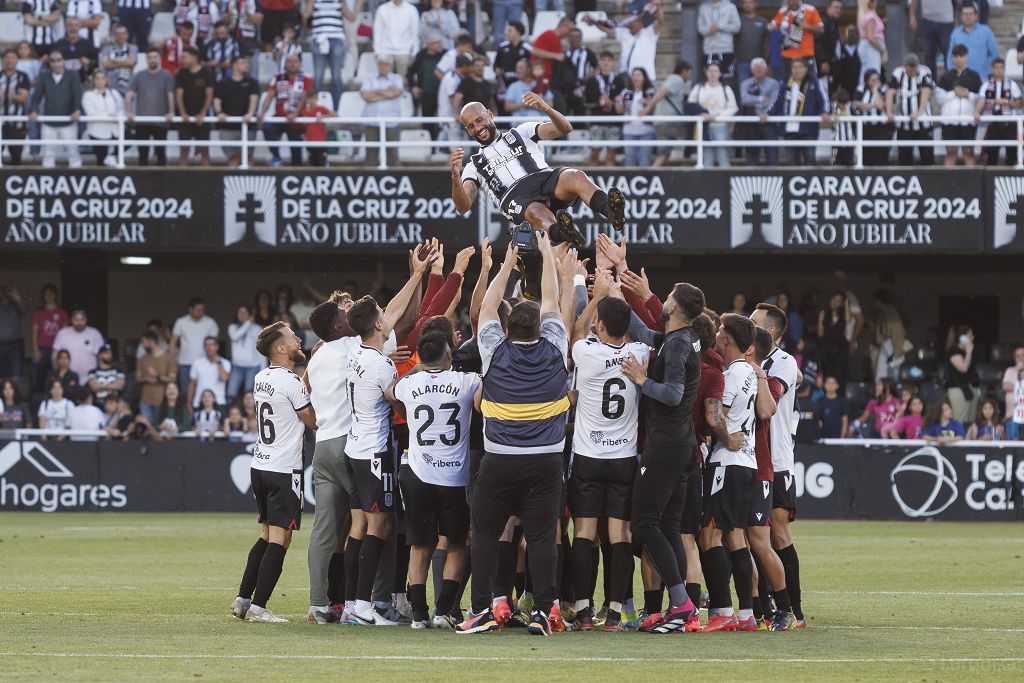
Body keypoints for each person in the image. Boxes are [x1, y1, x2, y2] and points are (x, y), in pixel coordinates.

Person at [456, 234, 571, 637]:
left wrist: (505, 265)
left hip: (501, 458)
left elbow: (487, 306)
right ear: (540, 326)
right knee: (541, 538)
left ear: (507, 328)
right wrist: (545, 258)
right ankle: (542, 612)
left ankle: (485, 608)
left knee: (485, 533)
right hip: (546, 461)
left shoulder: (494, 348)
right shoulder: (556, 346)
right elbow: (554, 301)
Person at [342, 245, 437, 627]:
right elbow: (399, 405)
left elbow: (395, 310)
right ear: (378, 326)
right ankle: (363, 606)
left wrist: (418, 273)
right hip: (373, 453)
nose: (388, 316)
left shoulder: (356, 349)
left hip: (353, 446)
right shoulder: (381, 366)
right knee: (380, 526)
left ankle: (352, 603)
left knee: (360, 527)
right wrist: (412, 377)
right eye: (383, 316)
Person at [565, 284, 649, 631]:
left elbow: (577, 330)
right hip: (623, 458)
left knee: (584, 533)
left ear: (600, 325)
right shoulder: (640, 353)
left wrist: (597, 294)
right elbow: (643, 329)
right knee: (620, 536)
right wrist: (619, 290)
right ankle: (615, 610)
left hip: (587, 456)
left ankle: (583, 609)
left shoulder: (585, 352)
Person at [386, 331, 481, 629]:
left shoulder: (410, 383)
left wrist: (414, 372)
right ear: (450, 354)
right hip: (453, 476)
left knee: (419, 545)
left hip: (417, 474)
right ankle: (442, 612)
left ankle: (418, 615)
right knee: (455, 544)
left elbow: (390, 392)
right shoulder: (468, 381)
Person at [230, 321, 317, 623]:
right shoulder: (292, 382)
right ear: (280, 348)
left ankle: (243, 598)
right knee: (281, 539)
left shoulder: (261, 377)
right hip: (283, 469)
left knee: (267, 535)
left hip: (260, 464)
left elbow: (290, 395)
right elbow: (312, 420)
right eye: (293, 338)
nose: (298, 340)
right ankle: (259, 607)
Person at [450, 97, 626, 246]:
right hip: (515, 196)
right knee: (535, 212)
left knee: (576, 176)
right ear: (467, 130)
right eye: (471, 126)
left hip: (543, 177)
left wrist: (545, 107)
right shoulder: (474, 165)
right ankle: (564, 233)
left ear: (489, 114)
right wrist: (456, 177)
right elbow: (463, 207)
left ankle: (611, 211)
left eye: (479, 120)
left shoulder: (521, 132)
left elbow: (565, 129)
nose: (477, 128)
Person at [750, 302, 806, 627]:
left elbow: (770, 401)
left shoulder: (784, 363)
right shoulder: (746, 358)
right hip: (750, 458)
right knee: (753, 536)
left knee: (779, 535)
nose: (747, 324)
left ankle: (795, 609)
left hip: (778, 459)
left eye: (753, 322)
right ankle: (762, 605)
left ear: (770, 331)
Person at [303, 299, 358, 624]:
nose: (349, 315)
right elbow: (397, 319)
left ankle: (318, 604)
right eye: (344, 313)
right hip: (351, 445)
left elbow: (305, 384)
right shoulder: (353, 344)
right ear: (339, 326)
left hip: (322, 446)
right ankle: (369, 602)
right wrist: (418, 275)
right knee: (373, 523)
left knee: (323, 530)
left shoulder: (319, 354)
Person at [28, 51, 83, 169]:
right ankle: (47, 179)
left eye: (59, 60)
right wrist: (33, 110)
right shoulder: (44, 75)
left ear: (63, 61)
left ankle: (77, 176)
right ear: (50, 63)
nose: (56, 63)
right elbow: (37, 95)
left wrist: (77, 110)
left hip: (69, 120)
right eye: (53, 60)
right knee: (48, 153)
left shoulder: (73, 75)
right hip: (49, 120)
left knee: (73, 152)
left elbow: (77, 94)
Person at [259, 53, 312, 167]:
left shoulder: (306, 77)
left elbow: (304, 97)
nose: (293, 64)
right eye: (290, 61)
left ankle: (297, 172)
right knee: (267, 126)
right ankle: (276, 156)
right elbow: (270, 96)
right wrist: (262, 113)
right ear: (285, 64)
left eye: (295, 61)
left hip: (297, 120)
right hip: (280, 118)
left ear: (300, 63)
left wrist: (295, 114)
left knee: (296, 155)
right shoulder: (278, 77)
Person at [303, 0, 358, 108]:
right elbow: (306, 14)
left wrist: (357, 6)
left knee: (336, 76)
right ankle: (315, 108)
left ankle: (337, 109)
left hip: (336, 38)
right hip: (318, 39)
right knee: (318, 76)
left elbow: (351, 18)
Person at [771, 58, 826, 166]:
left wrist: (823, 112)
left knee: (810, 159)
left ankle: (810, 182)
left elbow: (822, 100)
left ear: (806, 69)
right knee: (791, 162)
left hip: (808, 129)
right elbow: (778, 102)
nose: (797, 70)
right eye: (795, 67)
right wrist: (769, 114)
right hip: (789, 129)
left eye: (800, 67)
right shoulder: (785, 82)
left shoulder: (814, 82)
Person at [126, 49, 176, 167]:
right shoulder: (139, 75)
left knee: (161, 154)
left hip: (161, 122)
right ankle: (142, 183)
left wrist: (171, 112)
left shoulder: (167, 75)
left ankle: (162, 182)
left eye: (155, 57)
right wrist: (128, 112)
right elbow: (129, 94)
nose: (152, 59)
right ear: (146, 59)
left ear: (159, 58)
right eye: (150, 57)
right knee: (142, 155)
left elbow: (170, 95)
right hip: (142, 122)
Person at [936, 44, 981, 167]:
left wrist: (967, 95)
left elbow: (980, 98)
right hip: (950, 121)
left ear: (966, 57)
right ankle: (947, 182)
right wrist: (954, 93)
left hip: (968, 121)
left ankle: (973, 183)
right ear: (952, 58)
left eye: (961, 56)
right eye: (956, 56)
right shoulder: (946, 76)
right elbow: (939, 98)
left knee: (968, 152)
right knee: (950, 152)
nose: (958, 59)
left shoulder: (974, 76)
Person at [886, 54, 935, 167]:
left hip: (923, 122)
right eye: (910, 69)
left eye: (914, 68)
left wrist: (919, 112)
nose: (913, 71)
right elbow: (890, 92)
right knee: (904, 157)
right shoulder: (898, 73)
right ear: (905, 66)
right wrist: (889, 112)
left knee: (927, 156)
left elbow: (926, 92)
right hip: (904, 123)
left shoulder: (925, 71)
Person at [592, 4, 662, 82]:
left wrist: (658, 6)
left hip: (645, 77)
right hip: (626, 77)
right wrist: (594, 22)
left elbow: (660, 21)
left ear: (641, 22)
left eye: (633, 21)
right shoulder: (624, 32)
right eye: (629, 20)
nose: (630, 23)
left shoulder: (650, 33)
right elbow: (608, 31)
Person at [688, 61, 738, 168]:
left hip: (720, 126)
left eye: (715, 71)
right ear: (706, 73)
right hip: (703, 126)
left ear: (720, 73)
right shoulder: (699, 88)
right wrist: (701, 114)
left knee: (722, 153)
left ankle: (726, 180)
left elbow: (733, 108)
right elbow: (691, 103)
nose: (712, 73)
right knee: (706, 155)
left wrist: (717, 116)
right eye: (710, 71)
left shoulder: (726, 89)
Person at [645, 59, 692, 168]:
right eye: (689, 72)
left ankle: (653, 173)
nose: (690, 75)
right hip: (670, 122)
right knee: (686, 141)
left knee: (663, 155)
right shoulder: (677, 80)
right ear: (683, 71)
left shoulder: (670, 80)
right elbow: (662, 93)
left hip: (661, 122)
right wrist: (648, 108)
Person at [213, 54, 259, 166]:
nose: (247, 65)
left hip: (248, 126)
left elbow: (254, 99)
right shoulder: (223, 83)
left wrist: (250, 113)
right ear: (234, 66)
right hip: (227, 126)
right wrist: (219, 113)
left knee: (248, 157)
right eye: (243, 62)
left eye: (247, 63)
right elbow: (217, 100)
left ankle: (249, 183)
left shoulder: (252, 82)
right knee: (232, 158)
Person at [360, 55, 404, 168]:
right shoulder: (369, 77)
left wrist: (376, 91)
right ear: (377, 65)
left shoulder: (397, 78)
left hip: (391, 121)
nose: (383, 66)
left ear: (391, 66)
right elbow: (366, 96)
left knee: (392, 153)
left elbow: (396, 93)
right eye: (381, 64)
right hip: (371, 120)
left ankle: (397, 178)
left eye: (386, 64)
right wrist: (388, 93)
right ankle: (369, 178)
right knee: (371, 154)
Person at [978, 59, 1023, 167]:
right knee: (992, 153)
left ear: (1004, 69)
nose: (999, 70)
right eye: (996, 68)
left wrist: (1007, 102)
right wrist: (976, 112)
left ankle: (1012, 178)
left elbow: (1020, 104)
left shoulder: (1012, 84)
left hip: (1009, 123)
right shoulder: (986, 85)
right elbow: (981, 100)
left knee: (1012, 153)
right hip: (993, 123)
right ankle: (990, 180)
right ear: (992, 69)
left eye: (1001, 68)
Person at [174, 47, 214, 166]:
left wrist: (203, 113)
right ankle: (180, 181)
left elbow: (209, 94)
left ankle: (208, 181)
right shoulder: (181, 73)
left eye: (185, 57)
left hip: (202, 118)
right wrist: (182, 113)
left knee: (204, 151)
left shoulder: (207, 72)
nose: (183, 60)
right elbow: (179, 94)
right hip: (184, 118)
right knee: (183, 151)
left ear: (194, 57)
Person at [739, 57, 780, 166]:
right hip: (752, 123)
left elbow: (774, 101)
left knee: (772, 152)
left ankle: (774, 176)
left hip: (768, 122)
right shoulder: (746, 83)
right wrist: (761, 99)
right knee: (751, 153)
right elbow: (744, 99)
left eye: (761, 68)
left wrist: (766, 113)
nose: (758, 70)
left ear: (766, 69)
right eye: (756, 68)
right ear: (752, 70)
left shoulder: (773, 83)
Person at [583, 50, 622, 167]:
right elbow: (586, 102)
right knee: (594, 153)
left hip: (613, 121)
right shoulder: (591, 81)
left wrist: (612, 103)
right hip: (597, 121)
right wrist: (598, 102)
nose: (606, 63)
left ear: (612, 63)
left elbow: (622, 102)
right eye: (603, 60)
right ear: (599, 62)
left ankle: (611, 182)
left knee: (611, 155)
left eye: (609, 60)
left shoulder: (618, 81)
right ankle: (589, 182)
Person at [767, 0, 823, 79]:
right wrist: (772, 26)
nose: (793, 2)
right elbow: (771, 25)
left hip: (805, 54)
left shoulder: (810, 9)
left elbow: (821, 29)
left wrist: (807, 26)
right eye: (791, 1)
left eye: (795, 1)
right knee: (788, 83)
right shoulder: (783, 11)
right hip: (788, 54)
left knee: (809, 81)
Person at [172, 297, 219, 391]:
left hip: (204, 363)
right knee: (185, 390)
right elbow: (173, 342)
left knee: (203, 390)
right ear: (190, 309)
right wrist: (172, 361)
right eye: (198, 310)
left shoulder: (210, 322)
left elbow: (214, 344)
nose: (201, 312)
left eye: (203, 310)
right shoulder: (181, 322)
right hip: (185, 363)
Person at [81, 71, 126, 168]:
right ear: (93, 81)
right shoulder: (88, 95)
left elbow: (121, 108)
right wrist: (109, 116)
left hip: (114, 130)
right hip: (97, 132)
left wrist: (118, 116)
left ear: (106, 80)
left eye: (103, 78)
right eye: (97, 78)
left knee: (128, 139)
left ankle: (112, 156)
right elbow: (91, 113)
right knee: (101, 161)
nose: (100, 81)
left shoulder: (113, 93)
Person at [615, 67, 656, 168]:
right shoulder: (625, 92)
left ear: (644, 78)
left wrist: (649, 103)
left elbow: (656, 109)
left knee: (645, 160)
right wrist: (617, 102)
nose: (635, 77)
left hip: (646, 130)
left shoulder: (651, 92)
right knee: (629, 160)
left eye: (638, 75)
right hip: (629, 131)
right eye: (634, 75)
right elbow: (619, 111)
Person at [29, 284, 66, 393]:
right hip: (42, 348)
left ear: (55, 295)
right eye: (46, 294)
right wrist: (36, 350)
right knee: (39, 375)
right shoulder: (39, 313)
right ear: (43, 296)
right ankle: (39, 399)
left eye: (51, 293)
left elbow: (64, 333)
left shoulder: (62, 313)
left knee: (56, 375)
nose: (49, 296)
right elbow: (34, 332)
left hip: (57, 349)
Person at [408, 33, 445, 138]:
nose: (439, 45)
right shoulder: (422, 55)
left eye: (440, 42)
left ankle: (441, 145)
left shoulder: (445, 54)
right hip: (426, 93)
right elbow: (410, 71)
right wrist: (414, 86)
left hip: (442, 93)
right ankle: (430, 145)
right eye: (436, 43)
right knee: (427, 121)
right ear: (429, 45)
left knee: (442, 120)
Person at [136, 331, 177, 423]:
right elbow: (138, 379)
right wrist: (146, 379)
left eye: (144, 342)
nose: (142, 345)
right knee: (146, 430)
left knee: (159, 430)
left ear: (151, 342)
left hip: (162, 402)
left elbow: (172, 379)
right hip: (145, 400)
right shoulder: (142, 359)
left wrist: (157, 376)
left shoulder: (169, 358)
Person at [947, 4, 997, 80]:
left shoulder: (986, 31)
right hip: (961, 79)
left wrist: (992, 73)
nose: (968, 17)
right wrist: (952, 75)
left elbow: (995, 54)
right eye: (965, 14)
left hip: (982, 78)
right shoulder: (955, 34)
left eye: (970, 14)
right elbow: (950, 57)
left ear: (976, 16)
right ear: (961, 16)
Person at [51, 310, 104, 382]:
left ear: (86, 320)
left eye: (82, 319)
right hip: (67, 378)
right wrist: (56, 372)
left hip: (90, 378)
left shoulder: (94, 333)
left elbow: (101, 356)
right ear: (71, 320)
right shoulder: (63, 333)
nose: (79, 323)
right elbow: (55, 354)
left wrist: (100, 374)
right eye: (76, 320)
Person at [372, 0, 419, 77]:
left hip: (404, 52)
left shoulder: (412, 9)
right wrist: (378, 52)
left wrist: (414, 52)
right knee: (385, 82)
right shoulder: (382, 9)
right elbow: (377, 31)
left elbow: (414, 33)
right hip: (385, 51)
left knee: (402, 82)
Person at [852, 68, 889, 165]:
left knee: (880, 157)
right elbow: (857, 105)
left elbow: (881, 105)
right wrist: (872, 105)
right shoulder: (861, 88)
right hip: (865, 128)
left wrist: (875, 91)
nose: (876, 82)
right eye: (873, 80)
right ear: (867, 81)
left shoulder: (884, 88)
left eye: (877, 79)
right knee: (866, 157)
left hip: (881, 128)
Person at [1, 49, 32, 166]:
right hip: (0, 122)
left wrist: (12, 95)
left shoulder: (22, 76)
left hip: (17, 123)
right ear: (3, 60)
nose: (10, 60)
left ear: (17, 60)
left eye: (13, 57)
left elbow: (24, 98)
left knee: (16, 155)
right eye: (7, 57)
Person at [493, 20, 530, 115]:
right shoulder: (502, 47)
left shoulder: (527, 49)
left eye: (510, 30)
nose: (507, 33)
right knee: (503, 111)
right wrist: (497, 71)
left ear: (518, 32)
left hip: (520, 87)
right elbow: (496, 66)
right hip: (504, 86)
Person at [945, 325, 980, 425]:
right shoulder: (954, 351)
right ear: (962, 338)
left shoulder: (966, 352)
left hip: (970, 389)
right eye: (970, 335)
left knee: (971, 421)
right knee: (960, 421)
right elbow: (963, 368)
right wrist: (969, 352)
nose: (972, 337)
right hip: (959, 390)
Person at [908, 0, 953, 76]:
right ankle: (930, 83)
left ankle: (949, 82)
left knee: (948, 53)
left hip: (946, 21)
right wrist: (912, 15)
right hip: (927, 20)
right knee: (928, 54)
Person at [698, 0, 741, 80]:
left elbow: (737, 27)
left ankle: (726, 92)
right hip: (709, 49)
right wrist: (709, 29)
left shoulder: (730, 7)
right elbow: (700, 29)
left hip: (726, 49)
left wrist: (720, 26)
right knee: (709, 77)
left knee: (726, 77)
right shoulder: (703, 7)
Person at [187, 336, 231, 409]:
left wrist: (219, 363)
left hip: (219, 402)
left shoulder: (225, 363)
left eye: (212, 344)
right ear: (204, 347)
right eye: (206, 345)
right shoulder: (197, 363)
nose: (209, 347)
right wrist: (189, 403)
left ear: (217, 347)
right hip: (199, 402)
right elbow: (192, 384)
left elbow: (224, 378)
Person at [53, 18, 98, 83]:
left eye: (76, 25)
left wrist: (89, 62)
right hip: (62, 81)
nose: (73, 28)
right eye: (70, 25)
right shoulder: (59, 44)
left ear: (80, 27)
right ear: (66, 28)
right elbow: (51, 62)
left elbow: (96, 63)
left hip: (82, 81)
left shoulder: (87, 44)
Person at [735, 0, 767, 86]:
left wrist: (767, 60)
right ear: (742, 4)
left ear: (755, 4)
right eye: (745, 2)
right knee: (743, 87)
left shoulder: (763, 21)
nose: (748, 5)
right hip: (742, 62)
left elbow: (767, 42)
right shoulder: (737, 21)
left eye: (750, 2)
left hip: (759, 61)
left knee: (760, 88)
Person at [101, 25, 138, 96]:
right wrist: (125, 61)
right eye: (118, 34)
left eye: (124, 33)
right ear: (114, 35)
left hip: (128, 86)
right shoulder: (106, 49)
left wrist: (113, 61)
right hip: (111, 86)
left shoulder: (133, 48)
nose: (121, 36)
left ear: (127, 35)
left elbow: (131, 62)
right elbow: (106, 64)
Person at [856, 0, 885, 88]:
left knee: (867, 71)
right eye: (872, 1)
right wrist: (882, 49)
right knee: (873, 73)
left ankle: (865, 92)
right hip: (871, 47)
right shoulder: (870, 16)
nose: (876, 2)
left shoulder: (864, 15)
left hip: (867, 46)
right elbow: (870, 37)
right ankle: (870, 94)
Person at [814, 0, 841, 87]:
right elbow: (817, 41)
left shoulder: (833, 22)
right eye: (836, 7)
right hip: (821, 64)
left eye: (840, 8)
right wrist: (823, 61)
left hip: (830, 62)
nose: (838, 10)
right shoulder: (823, 21)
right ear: (828, 8)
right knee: (822, 88)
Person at [1002, 345, 1024, 440]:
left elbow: (1011, 386)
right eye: (1017, 356)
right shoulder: (1010, 370)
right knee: (1012, 445)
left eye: (1022, 355)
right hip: (1011, 416)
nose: (1020, 358)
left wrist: (1014, 386)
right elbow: (1005, 386)